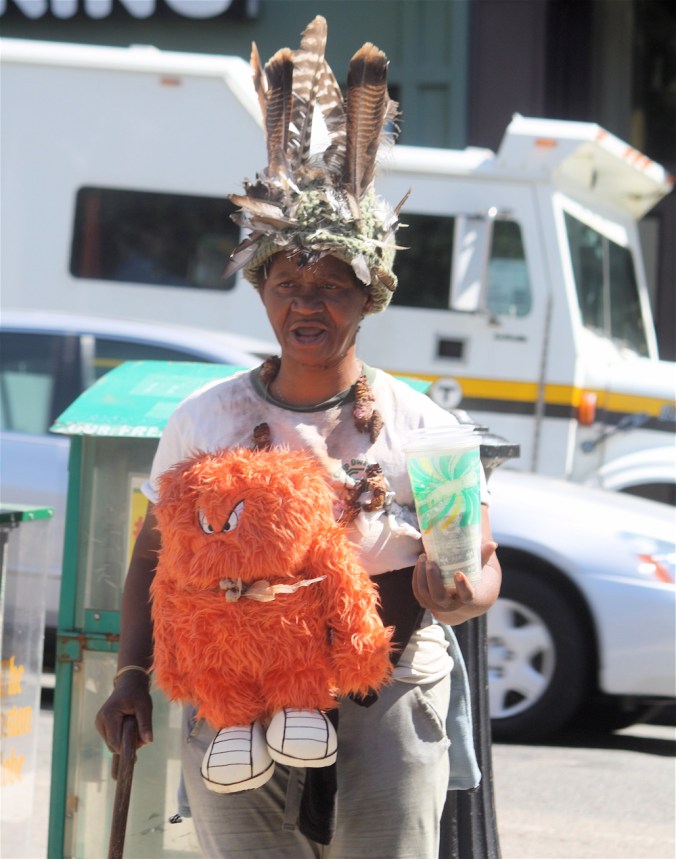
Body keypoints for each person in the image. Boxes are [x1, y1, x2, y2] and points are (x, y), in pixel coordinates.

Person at [95, 16, 501, 859]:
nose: (307, 303)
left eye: (332, 286)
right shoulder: (202, 420)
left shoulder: (425, 426)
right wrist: (131, 674)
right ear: (262, 291)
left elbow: (481, 561)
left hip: (384, 692)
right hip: (234, 695)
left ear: (370, 296)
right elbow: (151, 558)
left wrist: (464, 591)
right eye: (287, 282)